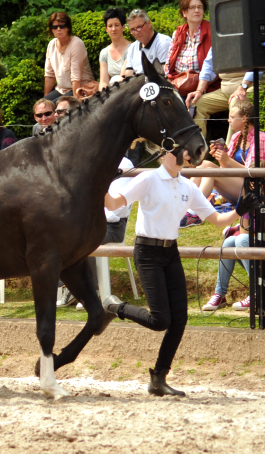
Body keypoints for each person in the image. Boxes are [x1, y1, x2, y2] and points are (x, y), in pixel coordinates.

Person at [103, 150, 256, 397]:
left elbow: (217, 219)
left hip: (170, 253)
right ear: (163, 154)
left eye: (187, 151)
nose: (186, 154)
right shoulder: (147, 179)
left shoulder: (188, 185)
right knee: (160, 321)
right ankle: (114, 307)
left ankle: (159, 378)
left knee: (180, 319)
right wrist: (103, 182)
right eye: (179, 150)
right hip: (147, 252)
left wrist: (239, 210)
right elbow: (113, 203)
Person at [60, 157, 134, 308]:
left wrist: (91, 217)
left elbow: (118, 211)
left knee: (86, 240)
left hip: (113, 226)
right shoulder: (90, 161)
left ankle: (92, 291)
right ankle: (72, 288)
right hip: (89, 224)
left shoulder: (123, 164)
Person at [182, 102, 265, 228]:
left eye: (232, 117)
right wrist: (219, 157)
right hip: (237, 185)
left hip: (253, 189)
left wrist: (228, 160)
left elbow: (252, 174)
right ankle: (184, 202)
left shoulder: (261, 138)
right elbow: (225, 170)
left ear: (244, 119)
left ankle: (194, 214)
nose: (228, 120)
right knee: (203, 165)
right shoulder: (236, 136)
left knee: (211, 173)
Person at [185, 48, 257, 142]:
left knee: (236, 101)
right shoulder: (219, 36)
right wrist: (199, 90)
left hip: (252, 86)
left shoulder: (251, 34)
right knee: (195, 103)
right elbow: (209, 65)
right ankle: (197, 150)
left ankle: (230, 153)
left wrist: (242, 87)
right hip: (225, 90)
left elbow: (258, 64)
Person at [164, 0, 214, 99]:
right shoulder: (178, 33)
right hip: (178, 83)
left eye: (199, 7)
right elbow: (168, 63)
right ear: (184, 13)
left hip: (202, 85)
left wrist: (201, 87)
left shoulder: (212, 32)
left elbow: (214, 67)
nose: (197, 10)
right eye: (192, 7)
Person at [44, 11, 95, 102]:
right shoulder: (51, 45)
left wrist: (76, 102)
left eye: (62, 26)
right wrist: (45, 101)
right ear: (51, 30)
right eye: (55, 27)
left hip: (79, 88)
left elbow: (76, 78)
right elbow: (49, 75)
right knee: (41, 107)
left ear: (68, 28)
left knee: (55, 107)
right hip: (61, 89)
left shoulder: (76, 43)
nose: (58, 29)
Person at [202, 227, 250, 311]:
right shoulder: (247, 213)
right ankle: (219, 294)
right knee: (229, 242)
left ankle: (257, 293)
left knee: (241, 239)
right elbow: (244, 232)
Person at [121, 9, 171, 77]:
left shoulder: (163, 42)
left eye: (139, 27)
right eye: (132, 29)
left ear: (149, 23)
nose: (136, 32)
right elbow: (128, 75)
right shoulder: (132, 48)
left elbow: (165, 76)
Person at [99, 8, 131, 90]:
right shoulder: (104, 53)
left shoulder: (131, 49)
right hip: (111, 93)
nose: (113, 29)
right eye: (110, 26)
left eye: (117, 25)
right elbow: (103, 81)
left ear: (123, 27)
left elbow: (125, 78)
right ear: (106, 29)